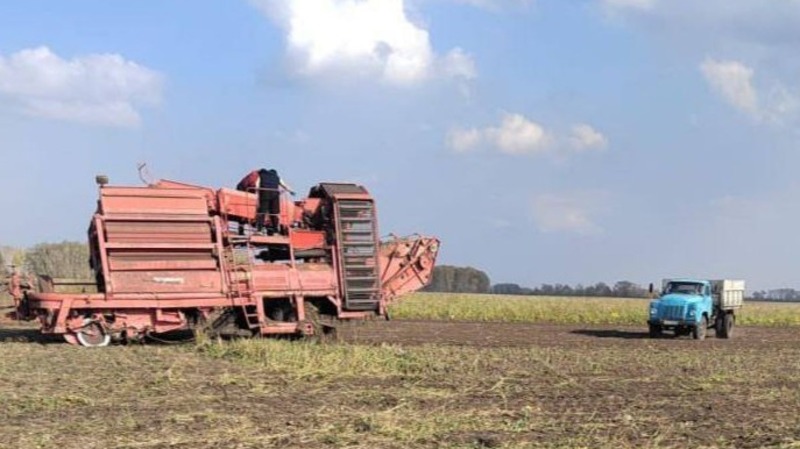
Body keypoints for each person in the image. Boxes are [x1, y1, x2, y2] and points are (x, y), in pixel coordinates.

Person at [237, 169, 295, 233]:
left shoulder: (261, 175)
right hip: (274, 195)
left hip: (264, 193)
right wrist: (291, 191)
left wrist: (257, 193)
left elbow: (257, 184)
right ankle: (275, 229)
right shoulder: (276, 177)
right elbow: (284, 185)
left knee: (262, 212)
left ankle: (259, 229)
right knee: (274, 213)